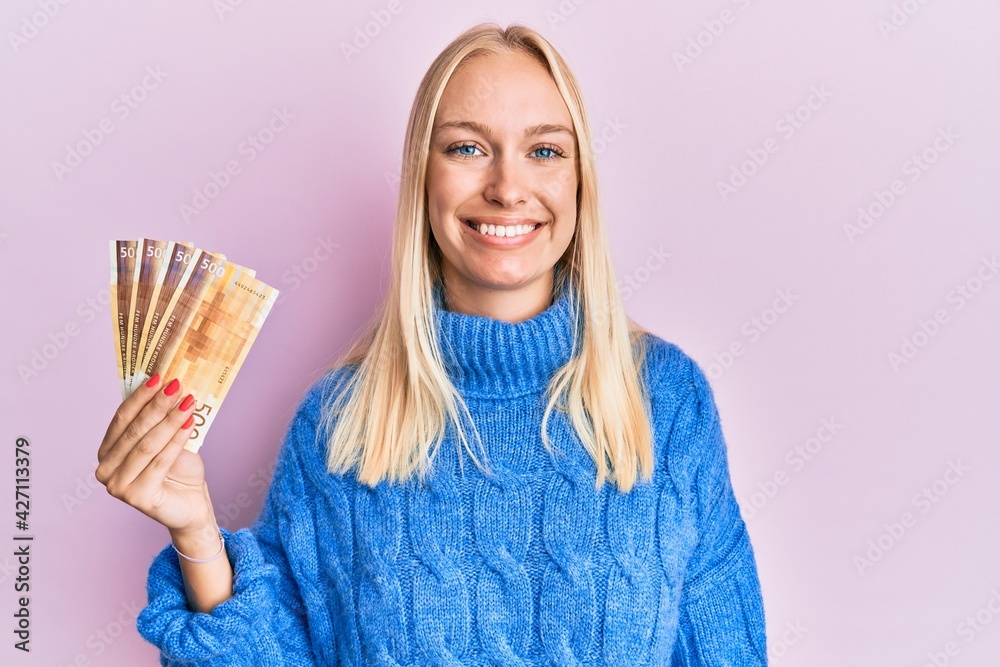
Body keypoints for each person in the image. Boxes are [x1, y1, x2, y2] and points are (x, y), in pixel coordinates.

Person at [96, 22, 767, 666]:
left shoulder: (668, 404)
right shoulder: (338, 426)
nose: (508, 188)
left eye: (544, 150)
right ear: (423, 178)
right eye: (467, 147)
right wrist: (194, 531)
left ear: (579, 180)